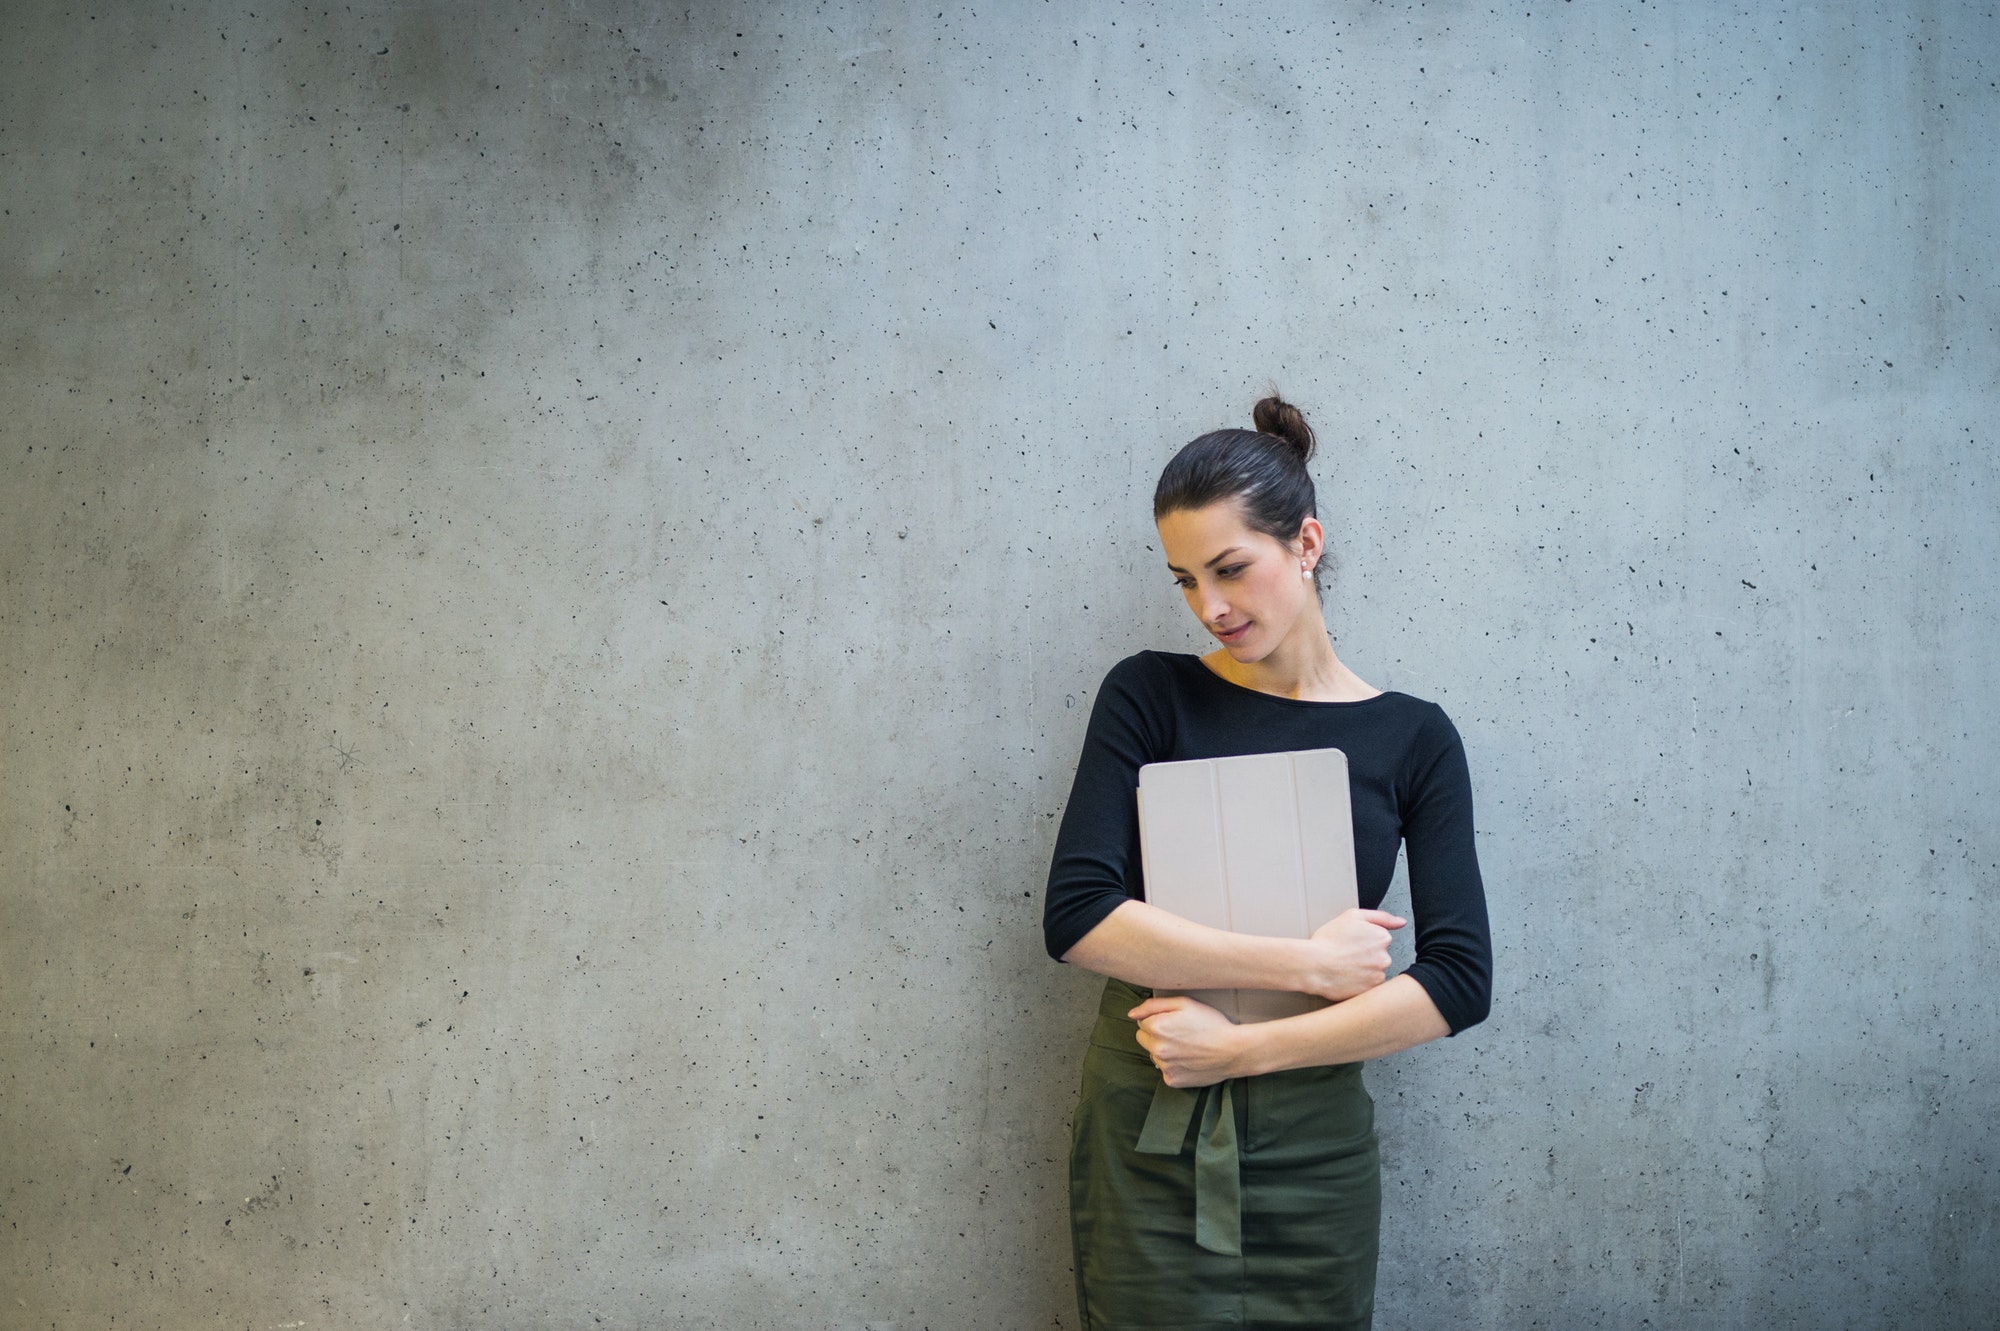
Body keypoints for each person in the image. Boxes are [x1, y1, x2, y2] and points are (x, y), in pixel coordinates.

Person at [1043, 393, 1492, 1330]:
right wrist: (1305, 965)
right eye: (1183, 580)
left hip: (1315, 1145)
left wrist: (1241, 1050)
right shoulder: (1149, 693)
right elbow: (1080, 915)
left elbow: (1459, 981)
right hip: (1150, 1119)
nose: (1210, 606)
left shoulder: (1413, 735)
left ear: (1307, 544)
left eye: (1231, 569)